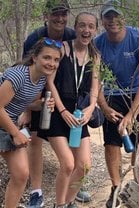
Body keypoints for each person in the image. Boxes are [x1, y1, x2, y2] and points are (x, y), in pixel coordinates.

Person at [22, 1, 91, 207]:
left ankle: (73, 186)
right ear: (46, 14)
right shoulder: (35, 38)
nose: (60, 18)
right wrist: (28, 107)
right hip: (38, 90)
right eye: (55, 14)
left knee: (74, 146)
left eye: (63, 13)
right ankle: (36, 191)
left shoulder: (72, 34)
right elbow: (27, 71)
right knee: (35, 138)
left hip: (63, 94)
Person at [94, 1, 139, 207]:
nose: (112, 21)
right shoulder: (98, 43)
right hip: (113, 95)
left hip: (138, 92)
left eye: (116, 16)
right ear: (102, 21)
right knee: (112, 142)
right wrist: (104, 107)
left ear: (123, 18)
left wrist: (132, 114)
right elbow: (94, 79)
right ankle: (116, 187)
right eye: (108, 17)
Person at [37, 12, 100, 208]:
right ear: (75, 27)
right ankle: (59, 204)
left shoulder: (95, 56)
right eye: (82, 25)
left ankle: (69, 201)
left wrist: (91, 108)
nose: (86, 30)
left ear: (96, 30)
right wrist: (63, 111)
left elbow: (94, 88)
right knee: (68, 164)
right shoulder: (63, 49)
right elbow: (49, 82)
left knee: (84, 165)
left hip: (79, 115)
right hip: (58, 113)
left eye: (90, 26)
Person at [0, 38, 61, 208]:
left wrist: (41, 104)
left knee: (21, 174)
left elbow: (26, 103)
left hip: (7, 124)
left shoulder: (41, 78)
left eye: (56, 60)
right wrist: (16, 133)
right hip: (6, 123)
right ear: (35, 57)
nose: (52, 63)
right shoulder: (19, 75)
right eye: (47, 58)